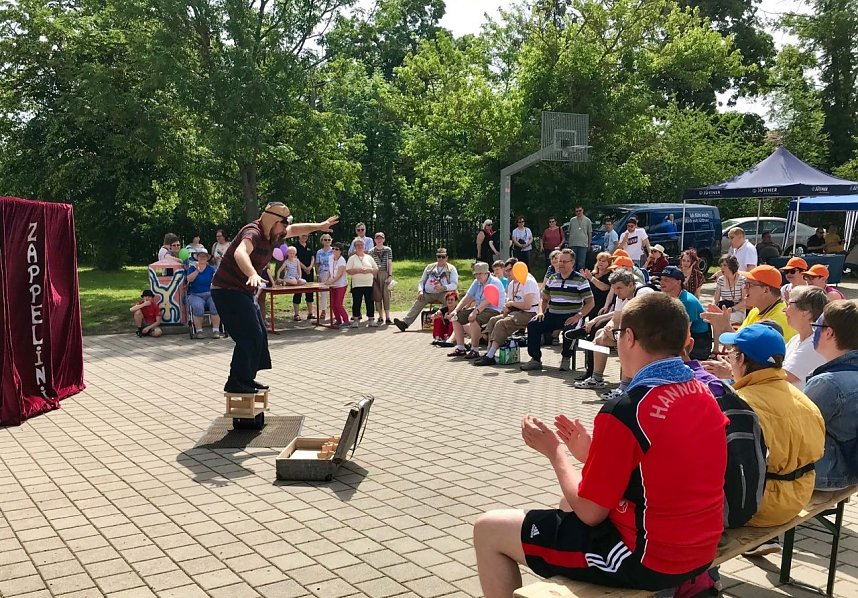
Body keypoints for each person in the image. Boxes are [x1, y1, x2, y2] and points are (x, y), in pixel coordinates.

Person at [473, 293, 729, 596]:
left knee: (488, 528)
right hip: (701, 548)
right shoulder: (704, 393)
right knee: (567, 503)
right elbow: (664, 466)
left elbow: (590, 513)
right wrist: (592, 453)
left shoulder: (626, 409)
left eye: (618, 334)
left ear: (630, 337)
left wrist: (554, 451)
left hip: (650, 560)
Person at [211, 201, 337, 394]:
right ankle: (235, 381)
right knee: (249, 334)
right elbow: (240, 252)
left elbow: (295, 229)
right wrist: (252, 273)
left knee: (260, 334)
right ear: (273, 221)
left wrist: (319, 226)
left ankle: (246, 378)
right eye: (283, 224)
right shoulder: (253, 232)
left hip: (242, 292)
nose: (285, 229)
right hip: (226, 290)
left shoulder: (273, 234)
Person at [718, 325, 824, 546]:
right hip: (801, 493)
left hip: (764, 505)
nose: (729, 360)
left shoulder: (742, 403)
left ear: (742, 359)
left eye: (731, 354)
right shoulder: (800, 395)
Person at [702, 265, 797, 379]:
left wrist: (731, 373)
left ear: (766, 290)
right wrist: (724, 325)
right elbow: (737, 347)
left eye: (749, 285)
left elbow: (767, 370)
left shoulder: (779, 319)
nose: (744, 288)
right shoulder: (755, 311)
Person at [803, 300, 858, 490]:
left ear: (829, 332)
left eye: (815, 326)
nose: (813, 333)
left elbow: (796, 431)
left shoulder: (828, 383)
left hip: (829, 473)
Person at [574, 269, 656, 395]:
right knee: (599, 335)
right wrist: (606, 331)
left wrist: (617, 333)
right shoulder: (622, 295)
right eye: (614, 288)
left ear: (630, 284)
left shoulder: (643, 293)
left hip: (652, 335)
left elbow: (641, 323)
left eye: (619, 288)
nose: (617, 292)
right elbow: (615, 319)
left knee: (624, 341)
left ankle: (625, 387)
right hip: (633, 332)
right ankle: (597, 378)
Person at [520, 249, 594, 372]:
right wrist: (540, 312)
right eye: (560, 261)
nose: (561, 264)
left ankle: (566, 357)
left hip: (571, 315)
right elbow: (544, 299)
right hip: (552, 314)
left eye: (565, 261)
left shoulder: (580, 280)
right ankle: (535, 359)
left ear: (572, 263)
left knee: (569, 330)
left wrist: (578, 316)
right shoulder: (552, 278)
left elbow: (590, 303)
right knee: (533, 325)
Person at [474, 264, 540, 366]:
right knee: (493, 320)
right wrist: (506, 308)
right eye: (506, 270)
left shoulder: (528, 282)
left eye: (510, 270)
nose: (507, 272)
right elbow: (510, 301)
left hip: (530, 313)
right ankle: (489, 353)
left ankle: (490, 356)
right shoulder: (511, 284)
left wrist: (511, 304)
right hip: (515, 312)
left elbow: (527, 305)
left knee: (501, 323)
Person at [446, 262, 504, 359]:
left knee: (474, 319)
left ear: (486, 273)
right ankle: (460, 348)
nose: (477, 276)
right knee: (455, 317)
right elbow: (468, 296)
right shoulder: (477, 282)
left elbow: (488, 301)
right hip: (479, 307)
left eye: (480, 274)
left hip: (493, 309)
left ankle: (475, 349)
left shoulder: (495, 282)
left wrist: (475, 312)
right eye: (476, 274)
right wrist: (456, 310)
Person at [394, 249, 459, 331]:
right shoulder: (429, 267)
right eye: (439, 256)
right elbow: (421, 282)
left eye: (443, 256)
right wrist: (420, 291)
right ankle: (405, 323)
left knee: (450, 302)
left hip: (443, 293)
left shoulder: (451, 269)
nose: (441, 258)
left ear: (447, 257)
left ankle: (448, 324)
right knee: (418, 302)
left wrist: (444, 287)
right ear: (436, 257)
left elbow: (454, 284)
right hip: (428, 293)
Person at [657, 266, 711, 361]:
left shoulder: (687, 301)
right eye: (661, 279)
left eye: (666, 279)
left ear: (678, 282)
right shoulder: (670, 297)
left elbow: (685, 332)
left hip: (697, 345)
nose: (661, 282)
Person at [783, 286, 828, 391]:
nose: (784, 309)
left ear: (806, 312)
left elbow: (783, 376)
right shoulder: (795, 339)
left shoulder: (814, 345)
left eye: (789, 304)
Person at [706, 255, 746, 353]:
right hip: (723, 308)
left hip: (738, 310)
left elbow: (745, 301)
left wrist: (732, 309)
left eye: (725, 265)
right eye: (721, 265)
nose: (721, 268)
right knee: (715, 317)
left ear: (731, 266)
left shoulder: (742, 280)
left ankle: (727, 348)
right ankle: (716, 349)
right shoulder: (720, 280)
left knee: (719, 318)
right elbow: (716, 298)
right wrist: (712, 306)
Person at [186, 248, 223, 339]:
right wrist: (197, 270)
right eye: (200, 256)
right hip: (195, 294)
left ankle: (216, 330)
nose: (202, 258)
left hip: (210, 293)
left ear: (207, 258)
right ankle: (199, 331)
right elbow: (189, 279)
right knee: (198, 307)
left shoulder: (211, 269)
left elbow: (218, 280)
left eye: (204, 256)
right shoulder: (192, 268)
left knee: (215, 305)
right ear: (197, 258)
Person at [346, 238, 378, 328]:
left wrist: (369, 270)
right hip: (357, 284)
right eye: (358, 245)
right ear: (355, 247)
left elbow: (376, 270)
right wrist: (357, 270)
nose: (360, 247)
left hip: (368, 284)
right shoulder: (352, 258)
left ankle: (371, 320)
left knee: (369, 302)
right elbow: (348, 270)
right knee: (356, 302)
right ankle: (356, 320)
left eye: (361, 245)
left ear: (364, 246)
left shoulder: (369, 257)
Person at [370, 232, 393, 325]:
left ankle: (387, 317)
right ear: (375, 240)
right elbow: (370, 264)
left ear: (384, 239)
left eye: (381, 238)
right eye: (377, 238)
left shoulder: (388, 250)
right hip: (375, 273)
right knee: (377, 295)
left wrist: (390, 275)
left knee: (386, 295)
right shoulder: (371, 251)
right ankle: (380, 316)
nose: (379, 240)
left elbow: (390, 262)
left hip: (385, 273)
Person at [290, 234, 315, 320]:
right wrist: (304, 268)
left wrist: (310, 267)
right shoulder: (295, 246)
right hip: (299, 272)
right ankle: (296, 314)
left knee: (310, 292)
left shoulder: (309, 245)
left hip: (310, 272)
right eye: (303, 235)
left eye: (307, 236)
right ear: (299, 236)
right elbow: (295, 259)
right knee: (298, 292)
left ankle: (310, 313)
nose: (305, 237)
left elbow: (312, 257)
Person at [326, 243, 350, 328]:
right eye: (333, 248)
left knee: (338, 304)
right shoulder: (330, 258)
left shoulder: (342, 260)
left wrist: (331, 281)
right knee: (332, 304)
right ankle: (338, 320)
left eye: (337, 249)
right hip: (333, 284)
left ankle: (346, 320)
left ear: (340, 251)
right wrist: (328, 280)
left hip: (341, 284)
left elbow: (339, 274)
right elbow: (330, 271)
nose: (334, 250)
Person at [314, 234, 334, 322]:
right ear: (322, 241)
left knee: (333, 292)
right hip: (323, 272)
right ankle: (323, 311)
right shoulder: (319, 252)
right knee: (323, 293)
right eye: (325, 240)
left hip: (332, 273)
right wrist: (317, 274)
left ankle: (334, 311)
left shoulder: (334, 250)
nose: (327, 241)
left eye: (329, 240)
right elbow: (317, 263)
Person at [567, 207, 593, 271]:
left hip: (583, 244)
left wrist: (589, 244)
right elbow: (569, 231)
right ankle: (572, 277)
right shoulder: (572, 220)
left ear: (583, 210)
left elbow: (589, 233)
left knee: (581, 263)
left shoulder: (587, 220)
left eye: (580, 210)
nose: (578, 212)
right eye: (577, 211)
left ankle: (580, 278)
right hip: (573, 244)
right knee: (572, 262)